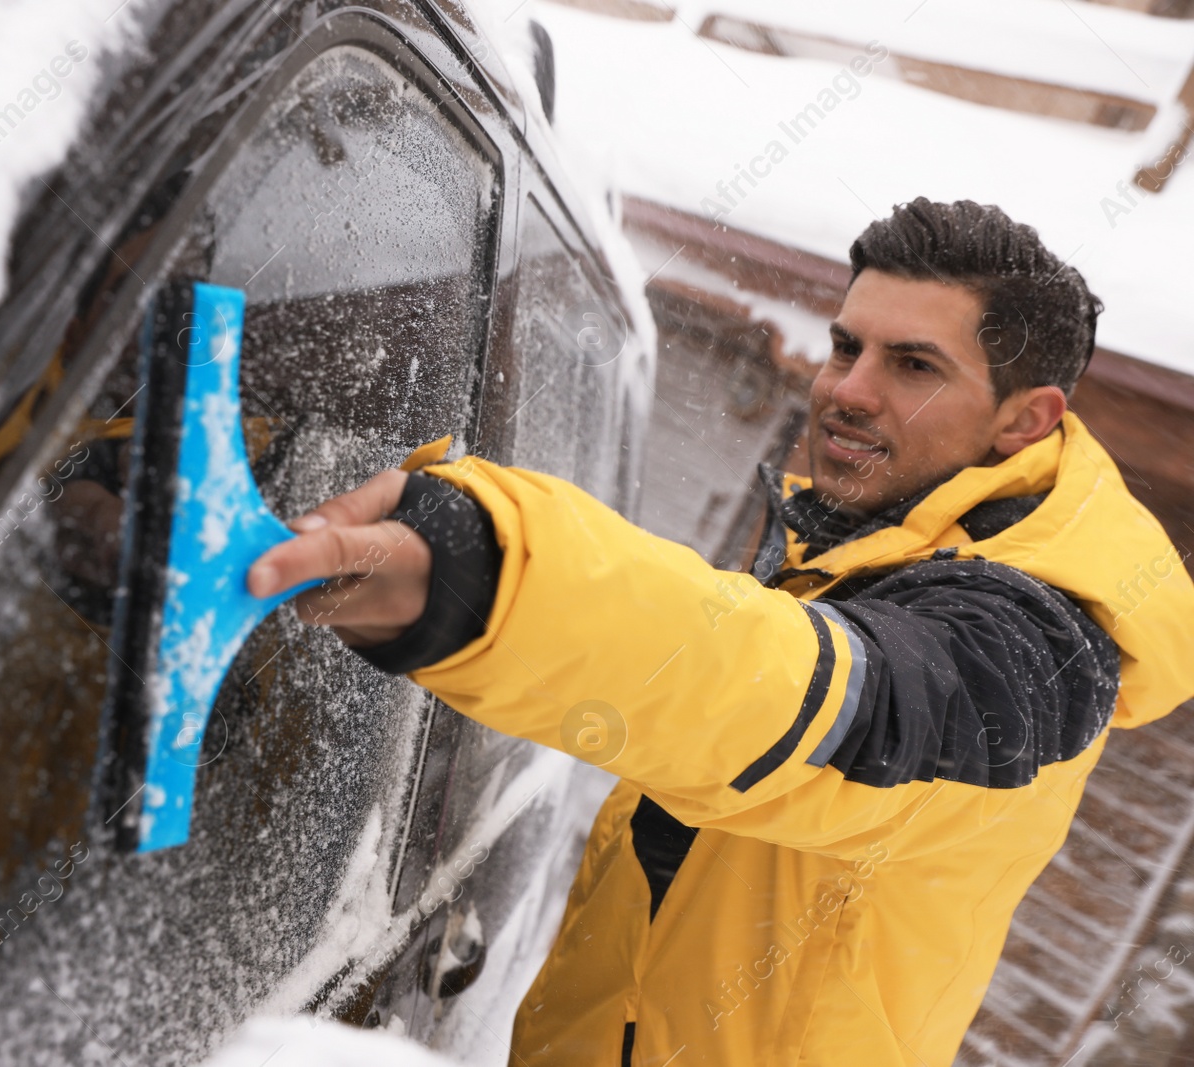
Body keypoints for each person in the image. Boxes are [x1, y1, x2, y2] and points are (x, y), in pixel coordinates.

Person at [246, 198, 1194, 1066]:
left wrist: (486, 572)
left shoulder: (1041, 642)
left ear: (1025, 422)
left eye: (913, 365)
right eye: (844, 346)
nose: (848, 390)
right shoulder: (857, 542)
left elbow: (811, 694)